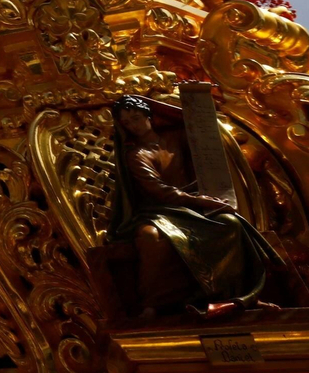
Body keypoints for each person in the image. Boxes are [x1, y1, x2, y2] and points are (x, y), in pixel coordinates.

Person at [108, 94, 282, 319]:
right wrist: (201, 201)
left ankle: (244, 296)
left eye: (137, 117)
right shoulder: (136, 155)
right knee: (152, 236)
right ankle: (154, 303)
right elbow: (162, 192)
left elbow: (204, 143)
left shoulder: (176, 136)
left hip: (193, 205)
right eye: (127, 122)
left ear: (149, 116)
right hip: (161, 211)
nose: (134, 125)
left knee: (230, 223)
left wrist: (198, 107)